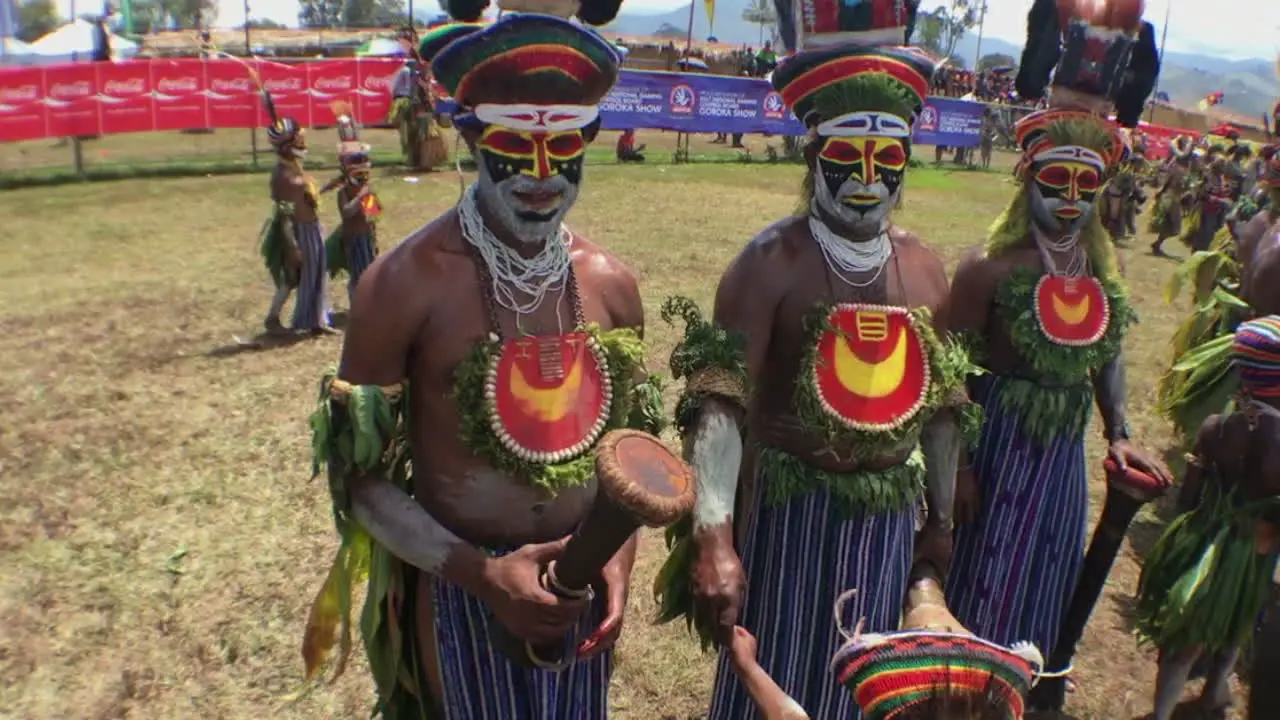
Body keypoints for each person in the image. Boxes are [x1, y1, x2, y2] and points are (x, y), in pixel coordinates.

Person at [301, 13, 664, 718]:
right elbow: (359, 480)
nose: (539, 174)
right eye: (512, 146)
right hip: (462, 587)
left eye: (561, 147)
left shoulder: (611, 285)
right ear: (470, 138)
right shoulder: (401, 285)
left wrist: (612, 561)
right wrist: (483, 575)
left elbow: (628, 461)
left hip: (576, 582)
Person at [652, 6, 986, 717]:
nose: (867, 179)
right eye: (847, 159)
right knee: (769, 674)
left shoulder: (925, 270)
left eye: (886, 160)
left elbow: (944, 404)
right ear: (811, 159)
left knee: (869, 690)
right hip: (788, 518)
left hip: (889, 523)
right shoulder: (768, 265)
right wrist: (714, 537)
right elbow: (720, 403)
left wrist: (940, 523)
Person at [944, 0, 1172, 681]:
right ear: (1027, 181)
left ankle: (1022, 678)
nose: (1071, 198)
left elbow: (1106, 355)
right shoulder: (989, 270)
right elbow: (947, 368)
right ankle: (958, 675)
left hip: (1061, 456)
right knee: (981, 565)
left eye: (1086, 183)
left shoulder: (1101, 269)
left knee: (1046, 565)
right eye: (1056, 179)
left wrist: (1120, 429)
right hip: (995, 444)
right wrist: (955, 467)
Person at [1136, 317, 1280, 720]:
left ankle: (1168, 709)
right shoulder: (1277, 443)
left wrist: (1187, 533)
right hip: (1250, 554)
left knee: (1185, 640)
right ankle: (1215, 688)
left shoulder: (1216, 426)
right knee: (1238, 618)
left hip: (1200, 545)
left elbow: (1189, 495)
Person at [252, 75, 335, 336]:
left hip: (311, 228)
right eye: (298, 141)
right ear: (287, 146)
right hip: (299, 232)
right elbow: (286, 215)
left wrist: (331, 186)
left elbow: (306, 197)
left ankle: (316, 320)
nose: (303, 143)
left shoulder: (293, 167)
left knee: (314, 274)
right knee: (298, 276)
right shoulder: (283, 176)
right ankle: (300, 321)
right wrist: (293, 246)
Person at [320, 102, 382, 307]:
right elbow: (347, 213)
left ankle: (367, 304)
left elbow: (372, 214)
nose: (363, 172)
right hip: (353, 238)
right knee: (357, 274)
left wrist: (373, 237)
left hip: (365, 237)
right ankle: (357, 306)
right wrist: (360, 197)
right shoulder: (345, 191)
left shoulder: (366, 187)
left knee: (369, 271)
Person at [1149, 135, 1194, 256]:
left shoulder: (1183, 168)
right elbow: (1167, 182)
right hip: (1170, 198)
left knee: (1171, 226)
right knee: (1173, 227)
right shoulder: (1176, 167)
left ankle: (1157, 244)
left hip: (1174, 199)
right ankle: (1157, 244)